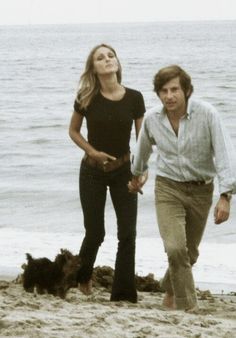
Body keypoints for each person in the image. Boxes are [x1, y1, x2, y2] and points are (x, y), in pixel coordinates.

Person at [129, 65, 236, 311]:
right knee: (176, 248)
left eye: (175, 89)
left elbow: (224, 154)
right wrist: (136, 176)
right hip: (168, 188)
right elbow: (142, 150)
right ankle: (188, 307)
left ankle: (170, 288)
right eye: (164, 91)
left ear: (186, 90)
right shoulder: (153, 119)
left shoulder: (207, 114)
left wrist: (225, 196)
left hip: (201, 190)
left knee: (190, 252)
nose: (169, 96)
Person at [69, 44, 146, 303]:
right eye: (100, 58)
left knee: (127, 233)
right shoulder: (86, 96)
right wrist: (93, 152)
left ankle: (123, 294)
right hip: (92, 172)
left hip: (124, 171)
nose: (107, 60)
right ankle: (82, 276)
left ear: (117, 62)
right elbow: (74, 131)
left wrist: (141, 171)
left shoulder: (135, 98)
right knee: (95, 232)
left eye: (111, 55)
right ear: (94, 68)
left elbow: (143, 140)